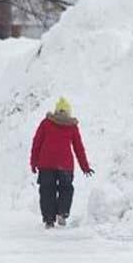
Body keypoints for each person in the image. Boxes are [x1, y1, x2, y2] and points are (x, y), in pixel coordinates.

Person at [30, 97, 94, 229]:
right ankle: (62, 212)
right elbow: (78, 148)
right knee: (66, 189)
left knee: (47, 190)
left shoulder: (46, 123)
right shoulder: (72, 126)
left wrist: (33, 162)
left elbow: (37, 143)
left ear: (56, 111)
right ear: (69, 112)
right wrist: (85, 167)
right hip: (65, 164)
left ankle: (49, 220)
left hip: (46, 163)